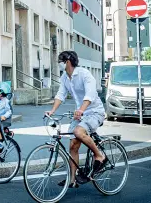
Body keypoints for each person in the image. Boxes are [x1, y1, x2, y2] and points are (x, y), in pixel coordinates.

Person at [45, 51, 107, 188]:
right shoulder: (65, 78)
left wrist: (81, 110)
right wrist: (52, 111)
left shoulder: (84, 74)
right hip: (81, 114)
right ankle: (72, 180)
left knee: (78, 132)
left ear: (67, 62)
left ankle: (99, 155)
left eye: (60, 61)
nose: (59, 64)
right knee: (73, 145)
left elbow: (90, 94)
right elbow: (60, 95)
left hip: (95, 112)